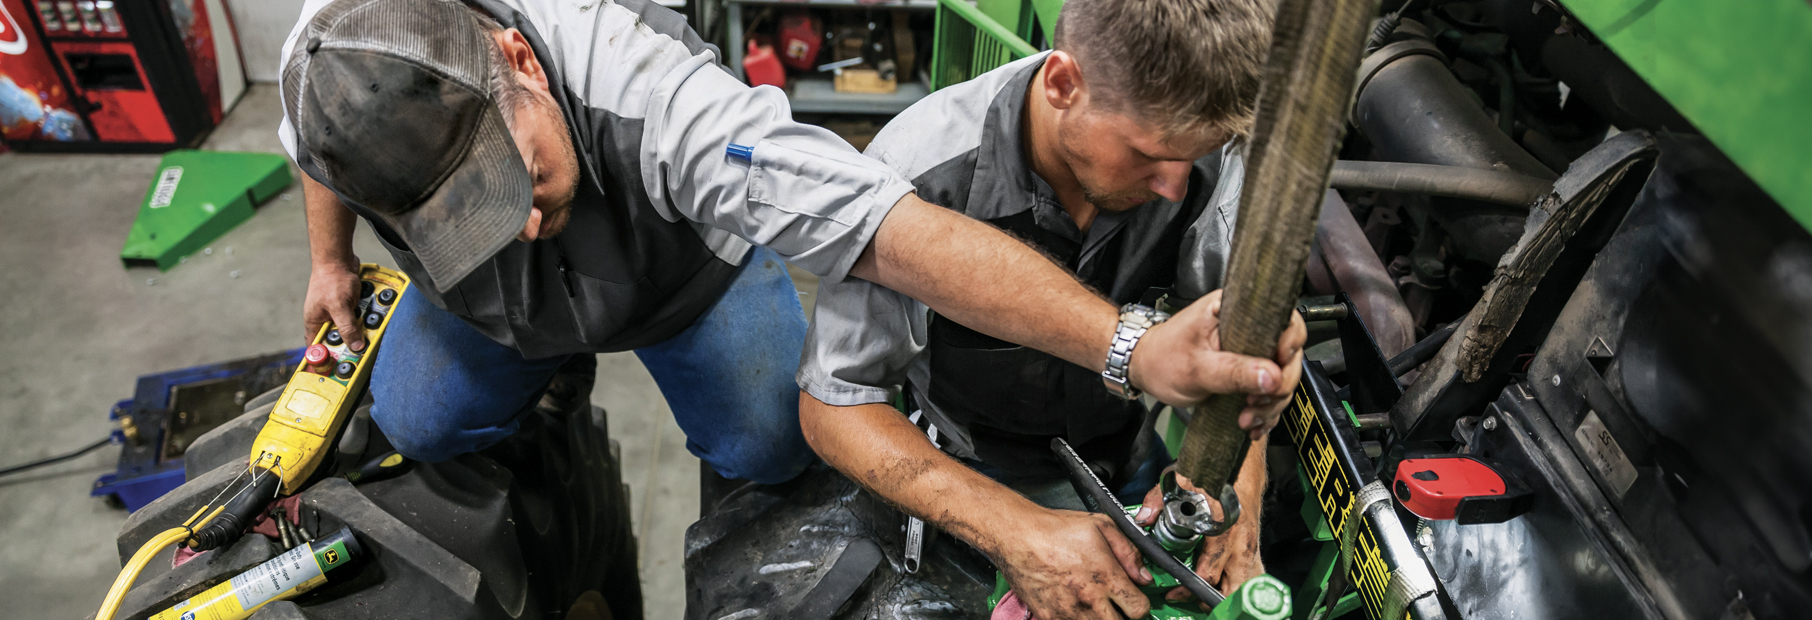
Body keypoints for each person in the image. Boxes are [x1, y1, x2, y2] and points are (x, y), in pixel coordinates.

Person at [279, 0, 1301, 494]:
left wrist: (1128, 348)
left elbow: (888, 233)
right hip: (488, 307)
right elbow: (324, 162)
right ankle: (545, 380)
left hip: (680, 281)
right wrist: (331, 263)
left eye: (521, 183)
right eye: (463, 211)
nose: (525, 223)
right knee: (418, 418)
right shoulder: (334, 68)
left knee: (768, 446)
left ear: (520, 63)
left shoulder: (654, 97)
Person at [795, 1, 1297, 618]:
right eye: (1148, 154)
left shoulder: (1206, 162)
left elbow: (1239, 354)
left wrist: (1239, 489)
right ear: (1063, 84)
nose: (1174, 185)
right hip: (969, 473)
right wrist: (1015, 532)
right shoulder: (920, 174)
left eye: (1194, 156)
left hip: (1130, 462)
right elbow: (835, 404)